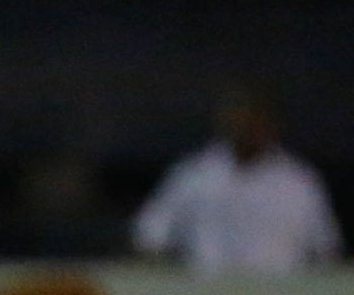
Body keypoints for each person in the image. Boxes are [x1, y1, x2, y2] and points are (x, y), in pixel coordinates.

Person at [133, 84, 341, 275]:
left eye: (257, 119)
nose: (249, 127)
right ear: (226, 119)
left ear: (273, 124)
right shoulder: (193, 174)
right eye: (242, 117)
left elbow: (325, 249)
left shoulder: (300, 181)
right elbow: (149, 237)